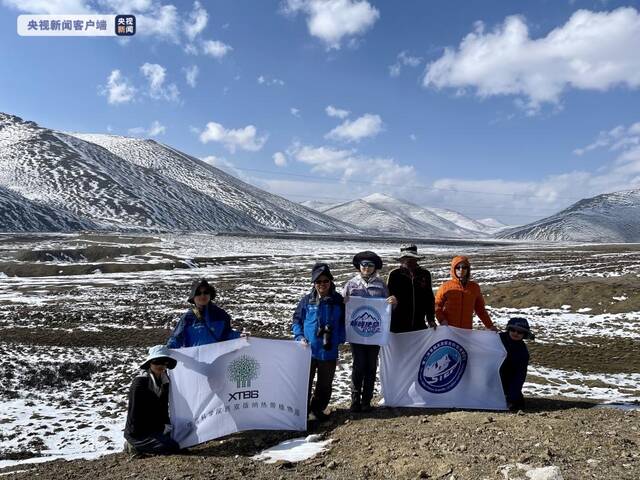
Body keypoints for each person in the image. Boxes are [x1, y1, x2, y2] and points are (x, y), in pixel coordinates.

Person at [342, 251, 397, 413]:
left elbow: (388, 308)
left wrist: (393, 303)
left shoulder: (381, 285)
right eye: (364, 265)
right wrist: (343, 301)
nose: (366, 268)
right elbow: (342, 304)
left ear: (375, 268)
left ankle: (366, 400)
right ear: (359, 267)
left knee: (371, 366)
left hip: (375, 333)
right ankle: (355, 399)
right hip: (356, 333)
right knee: (358, 365)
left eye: (370, 265)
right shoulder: (351, 284)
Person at [292, 263, 345, 422]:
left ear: (330, 282)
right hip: (308, 349)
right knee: (304, 382)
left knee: (325, 383)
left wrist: (340, 338)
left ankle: (317, 410)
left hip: (329, 349)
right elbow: (296, 320)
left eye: (325, 281)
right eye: (318, 282)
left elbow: (344, 322)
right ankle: (301, 412)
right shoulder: (307, 301)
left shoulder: (338, 301)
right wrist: (299, 336)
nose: (322, 284)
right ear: (314, 283)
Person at [124, 344, 181, 455]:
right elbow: (134, 415)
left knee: (182, 438)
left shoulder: (165, 381)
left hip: (157, 428)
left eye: (164, 362)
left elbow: (163, 408)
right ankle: (133, 446)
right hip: (139, 432)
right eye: (156, 362)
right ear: (149, 363)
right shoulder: (139, 383)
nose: (161, 365)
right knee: (172, 447)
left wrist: (165, 427)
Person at [167, 278, 241, 348]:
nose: (202, 296)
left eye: (206, 292)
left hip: (218, 359)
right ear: (193, 297)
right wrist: (166, 350)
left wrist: (240, 336)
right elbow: (176, 339)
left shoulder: (221, 315)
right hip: (196, 360)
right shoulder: (187, 318)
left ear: (210, 295)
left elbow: (227, 335)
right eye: (198, 293)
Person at [434, 256, 498, 331]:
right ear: (453, 269)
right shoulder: (445, 287)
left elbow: (480, 309)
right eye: (458, 267)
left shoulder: (474, 287)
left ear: (468, 269)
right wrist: (442, 320)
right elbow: (437, 306)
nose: (461, 270)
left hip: (466, 331)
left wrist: (490, 326)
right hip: (449, 329)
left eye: (464, 267)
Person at [387, 244, 436, 332]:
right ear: (401, 260)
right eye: (405, 258)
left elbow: (429, 299)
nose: (407, 261)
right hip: (397, 325)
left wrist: (431, 319)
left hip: (419, 324)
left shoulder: (425, 274)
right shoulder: (394, 275)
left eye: (411, 258)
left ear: (416, 259)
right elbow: (388, 298)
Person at [499, 317, 534, 411]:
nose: (516, 333)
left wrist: (512, 395)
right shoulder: (496, 339)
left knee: (516, 403)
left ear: (524, 334)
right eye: (513, 330)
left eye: (520, 332)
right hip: (491, 375)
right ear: (508, 329)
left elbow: (520, 374)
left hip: (508, 379)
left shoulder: (522, 352)